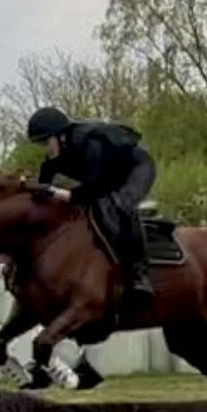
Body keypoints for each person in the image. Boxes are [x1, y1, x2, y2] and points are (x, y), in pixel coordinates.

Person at [27, 106, 155, 302]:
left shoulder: (90, 143)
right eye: (41, 144)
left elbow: (94, 189)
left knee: (121, 206)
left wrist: (59, 193)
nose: (45, 149)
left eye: (46, 142)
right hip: (109, 175)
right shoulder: (56, 154)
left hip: (136, 167)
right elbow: (42, 186)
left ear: (60, 136)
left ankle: (139, 274)